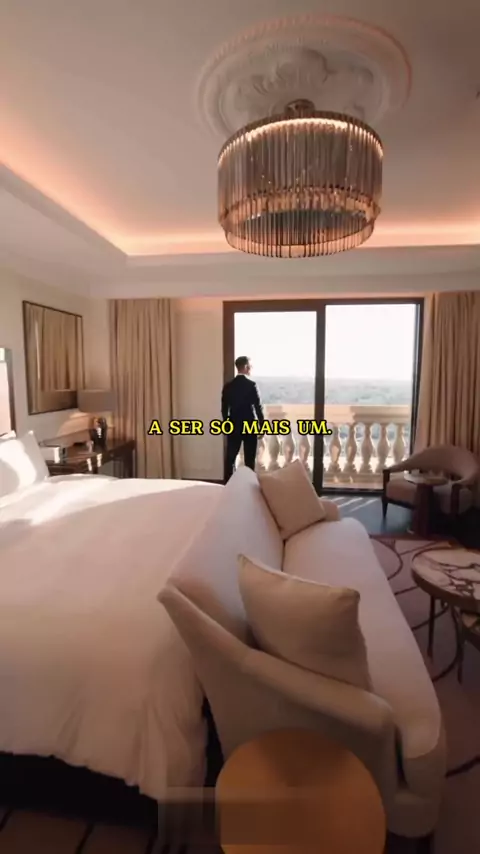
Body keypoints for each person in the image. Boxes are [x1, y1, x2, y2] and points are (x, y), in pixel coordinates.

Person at [221, 356, 264, 483]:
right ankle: (249, 485)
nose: (251, 368)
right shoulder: (251, 385)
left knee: (230, 458)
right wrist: (262, 426)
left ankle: (229, 484)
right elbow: (258, 408)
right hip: (250, 425)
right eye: (250, 366)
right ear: (245, 367)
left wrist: (226, 424)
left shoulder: (228, 386)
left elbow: (224, 409)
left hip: (234, 425)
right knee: (249, 459)